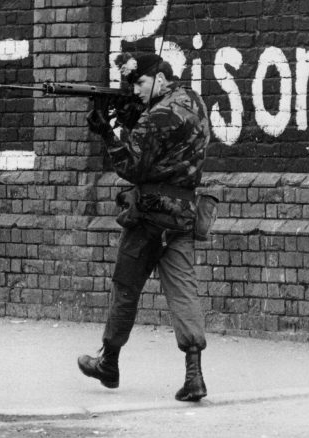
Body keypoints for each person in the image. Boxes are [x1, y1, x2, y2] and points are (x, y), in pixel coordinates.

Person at [78, 51, 213, 402]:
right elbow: (167, 146)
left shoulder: (156, 116)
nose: (135, 90)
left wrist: (107, 133)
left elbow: (132, 167)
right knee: (183, 292)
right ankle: (194, 374)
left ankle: (109, 363)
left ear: (161, 78)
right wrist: (135, 117)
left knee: (125, 287)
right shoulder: (194, 102)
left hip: (149, 217)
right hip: (183, 214)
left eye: (139, 82)